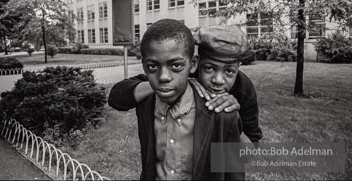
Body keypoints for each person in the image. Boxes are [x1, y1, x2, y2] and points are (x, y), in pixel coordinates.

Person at [109, 19, 244, 180]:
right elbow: (116, 96)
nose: (164, 77)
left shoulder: (221, 114)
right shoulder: (145, 102)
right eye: (153, 67)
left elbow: (233, 173)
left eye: (176, 66)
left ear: (193, 64)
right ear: (144, 66)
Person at [109, 25, 262, 145]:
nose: (218, 80)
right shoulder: (182, 73)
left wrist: (231, 120)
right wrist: (176, 84)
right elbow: (117, 97)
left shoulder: (244, 89)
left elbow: (250, 152)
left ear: (238, 67)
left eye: (229, 71)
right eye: (209, 68)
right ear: (196, 64)